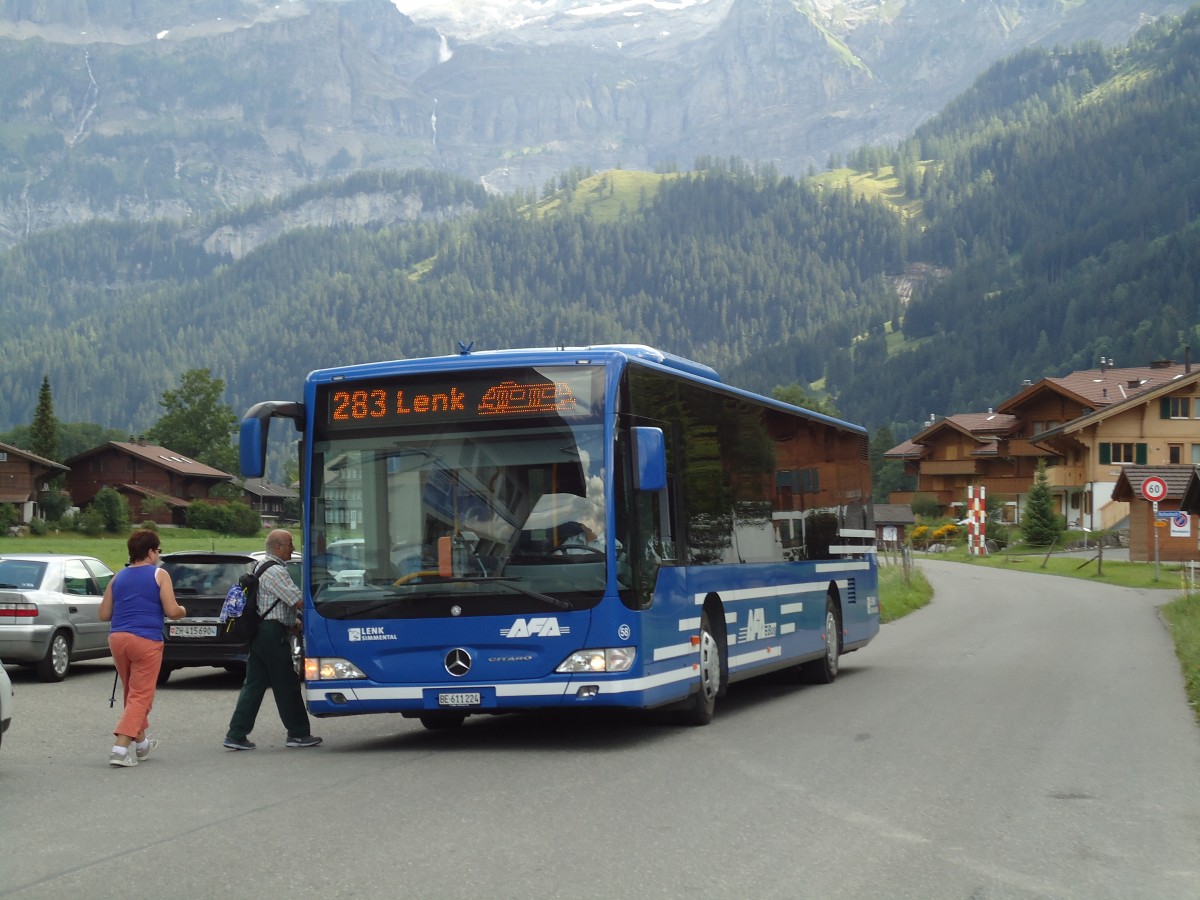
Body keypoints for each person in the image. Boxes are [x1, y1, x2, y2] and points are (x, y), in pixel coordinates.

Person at [223, 529, 322, 751]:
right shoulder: (277, 571)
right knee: (286, 683)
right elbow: (297, 600)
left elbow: (270, 602)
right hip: (272, 633)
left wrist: (292, 622)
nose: (293, 548)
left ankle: (236, 734)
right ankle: (297, 733)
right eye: (290, 544)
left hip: (259, 631)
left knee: (254, 684)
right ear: (278, 547)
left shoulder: (260, 566)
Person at [99, 528, 187, 768]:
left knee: (132, 692)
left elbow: (103, 613)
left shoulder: (117, 577)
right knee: (141, 695)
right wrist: (183, 611)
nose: (158, 555)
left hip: (117, 638)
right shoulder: (160, 574)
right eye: (158, 550)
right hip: (146, 639)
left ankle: (142, 744)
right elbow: (171, 610)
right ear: (150, 552)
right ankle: (119, 747)